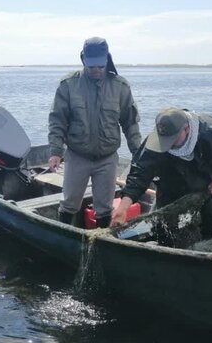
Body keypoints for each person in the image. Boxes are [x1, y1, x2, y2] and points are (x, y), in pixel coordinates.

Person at [48, 37, 142, 228]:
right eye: (92, 66)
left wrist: (138, 154)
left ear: (107, 59)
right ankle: (64, 235)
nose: (97, 70)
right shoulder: (68, 85)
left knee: (104, 207)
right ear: (83, 60)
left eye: (101, 65)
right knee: (69, 203)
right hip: (77, 155)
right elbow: (58, 120)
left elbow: (130, 124)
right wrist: (56, 151)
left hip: (107, 158)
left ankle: (100, 241)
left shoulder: (120, 87)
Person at [111, 107, 212, 240]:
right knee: (165, 224)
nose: (167, 145)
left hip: (206, 184)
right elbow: (140, 174)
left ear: (186, 129)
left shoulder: (211, 133)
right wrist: (123, 208)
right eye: (164, 140)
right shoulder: (156, 142)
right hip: (170, 183)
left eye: (172, 140)